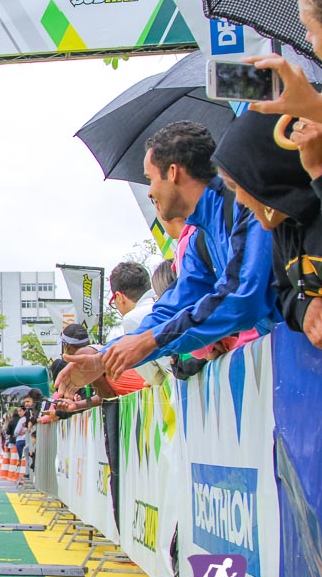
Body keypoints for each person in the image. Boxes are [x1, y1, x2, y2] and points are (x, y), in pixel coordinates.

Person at [58, 121, 278, 394]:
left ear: (173, 172)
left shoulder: (244, 204)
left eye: (150, 178)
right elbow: (172, 307)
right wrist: (106, 356)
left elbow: (242, 299)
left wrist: (149, 340)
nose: (149, 191)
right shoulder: (200, 236)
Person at [211, 110, 322, 348]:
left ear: (265, 174)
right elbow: (285, 291)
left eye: (236, 185)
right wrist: (304, 309)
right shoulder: (284, 226)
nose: (239, 201)